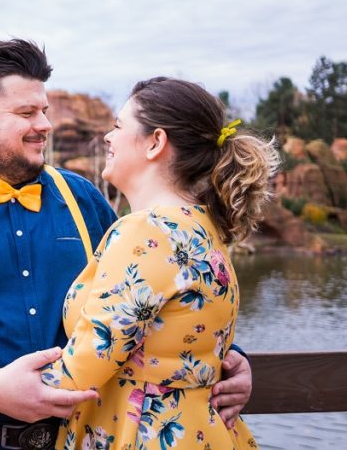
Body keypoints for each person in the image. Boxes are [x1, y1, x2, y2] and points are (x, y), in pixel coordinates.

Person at [0, 40, 254, 449]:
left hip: (70, 439)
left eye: (44, 111)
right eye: (27, 113)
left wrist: (224, 357)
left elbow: (151, 289)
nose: (45, 124)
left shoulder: (82, 198)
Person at [36, 77, 276, 449]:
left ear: (155, 142)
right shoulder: (203, 226)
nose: (108, 138)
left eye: (118, 127)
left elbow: (83, 366)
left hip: (142, 435)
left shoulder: (146, 232)